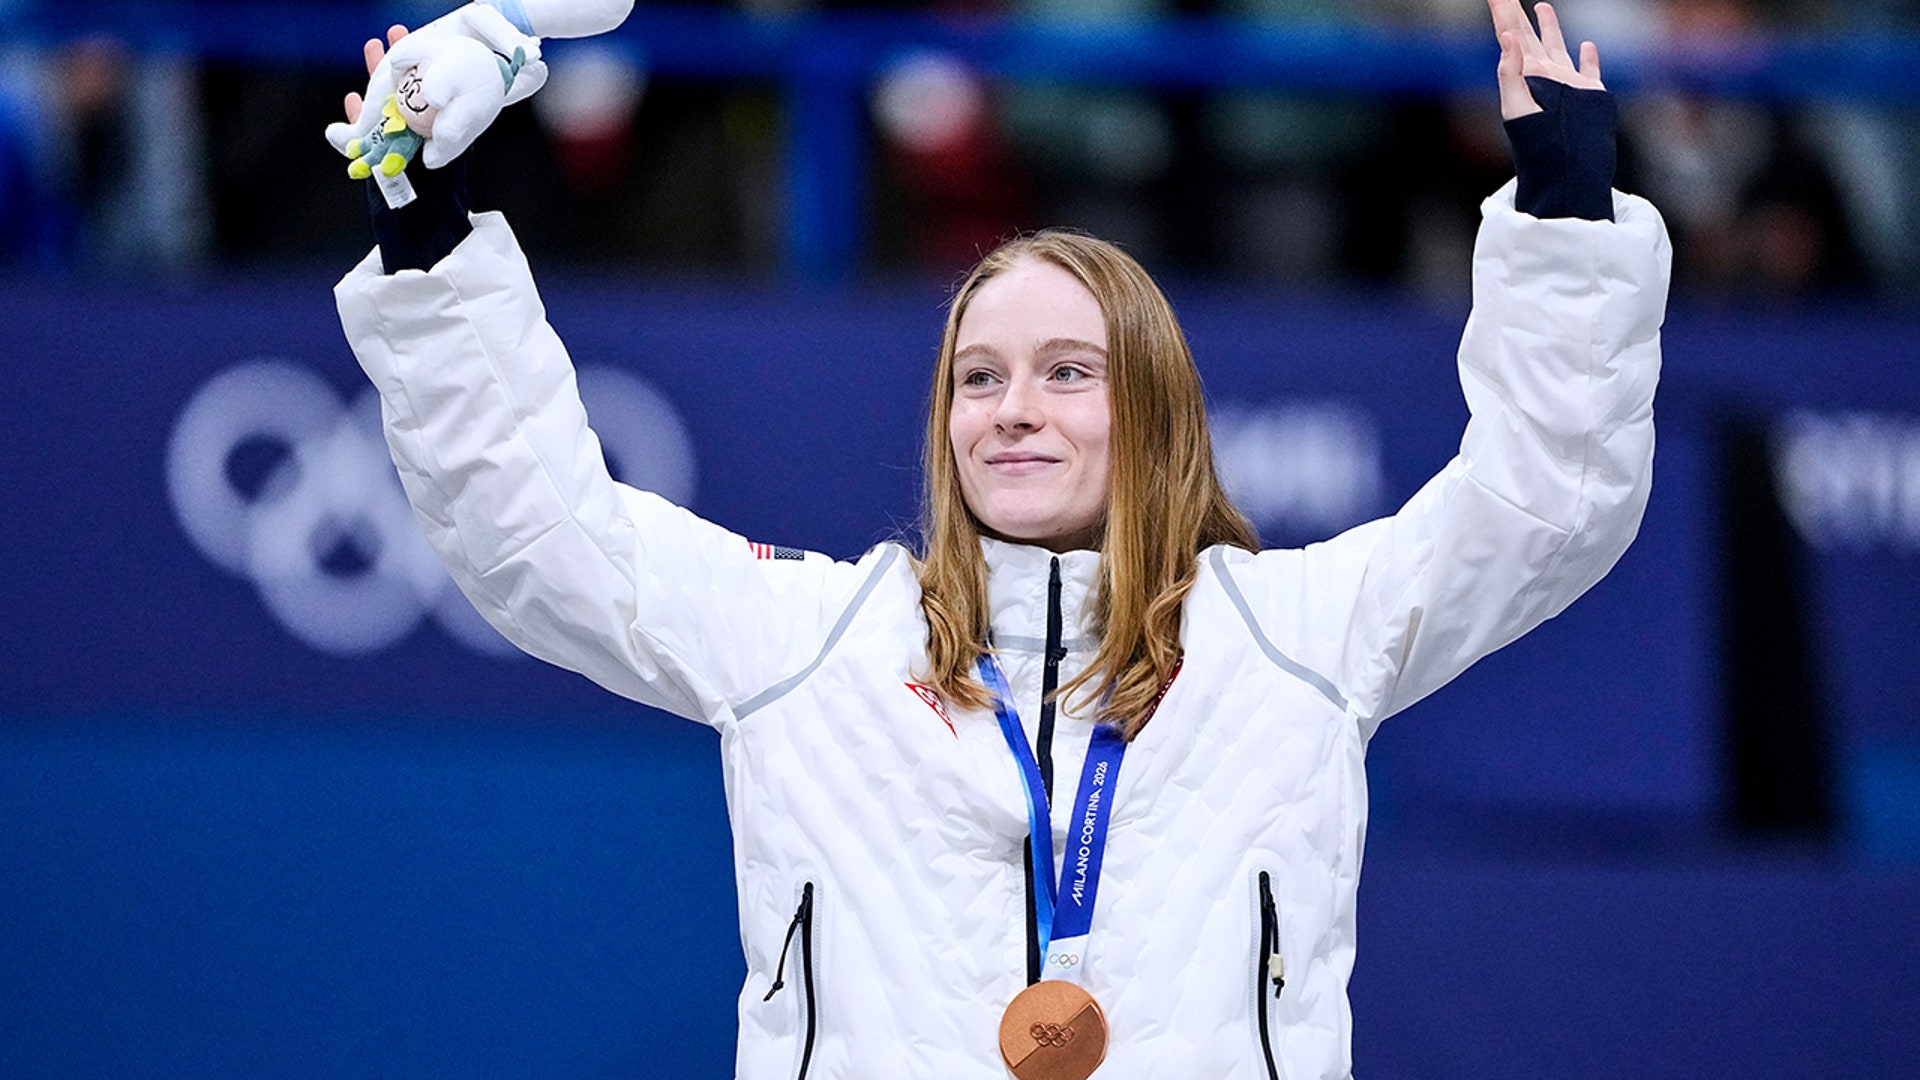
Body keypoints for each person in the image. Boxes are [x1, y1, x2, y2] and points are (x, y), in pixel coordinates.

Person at [332, 1, 1669, 1076]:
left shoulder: (1296, 638)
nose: (1013, 412)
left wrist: (1563, 217)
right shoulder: (816, 643)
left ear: (1151, 409)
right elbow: (536, 532)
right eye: (981, 378)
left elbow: (1545, 506)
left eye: (1067, 373)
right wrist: (426, 232)